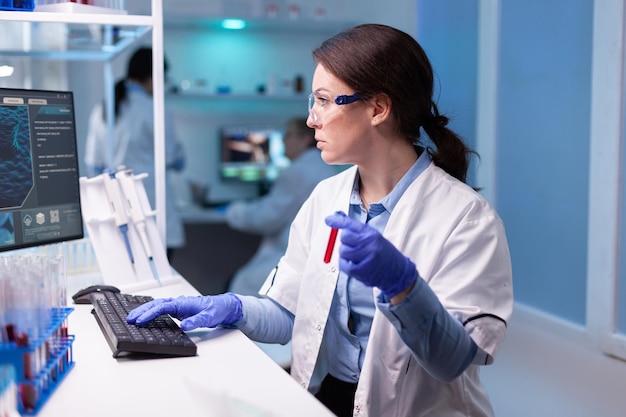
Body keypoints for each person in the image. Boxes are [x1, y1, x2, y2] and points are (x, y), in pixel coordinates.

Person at [127, 24, 513, 417]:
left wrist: (404, 287)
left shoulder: (466, 218)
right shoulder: (326, 199)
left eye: (325, 101)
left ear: (378, 108)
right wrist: (233, 308)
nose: (312, 119)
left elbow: (453, 361)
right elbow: (290, 314)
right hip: (332, 398)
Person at [84, 47, 186, 261]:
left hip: (115, 214)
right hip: (152, 213)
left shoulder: (102, 108)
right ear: (152, 77)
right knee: (157, 285)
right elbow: (174, 160)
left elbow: (93, 165)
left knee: (124, 286)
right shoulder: (154, 110)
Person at [225, 117, 338, 297]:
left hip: (293, 258)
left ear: (304, 139)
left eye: (288, 135)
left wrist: (233, 211)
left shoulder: (300, 171)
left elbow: (266, 218)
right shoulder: (320, 167)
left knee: (242, 285)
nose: (283, 140)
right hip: (311, 257)